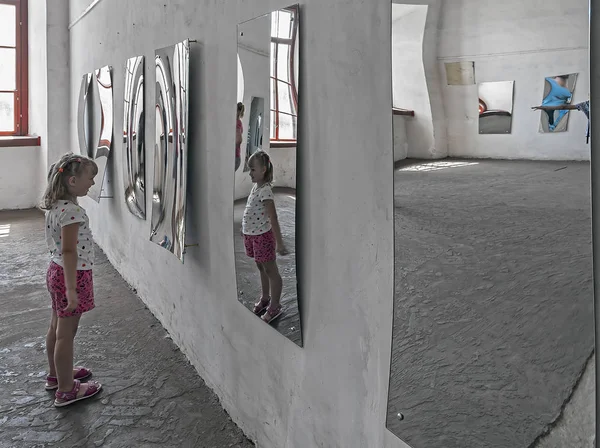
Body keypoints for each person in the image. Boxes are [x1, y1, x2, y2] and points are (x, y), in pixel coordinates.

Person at [41, 153, 103, 407]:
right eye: (90, 178)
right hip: (71, 275)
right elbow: (69, 251)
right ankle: (67, 390)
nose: (92, 183)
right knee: (67, 334)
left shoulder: (56, 207)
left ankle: (56, 375)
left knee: (56, 327)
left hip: (56, 270)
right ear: (73, 181)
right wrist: (71, 289)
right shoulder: (72, 212)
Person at [241, 150, 289, 323]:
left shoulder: (266, 191)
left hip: (263, 238)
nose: (250, 173)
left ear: (264, 170)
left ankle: (275, 306)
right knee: (261, 267)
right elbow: (250, 210)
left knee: (270, 270)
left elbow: (273, 217)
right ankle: (265, 298)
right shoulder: (256, 187)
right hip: (253, 236)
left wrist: (280, 243)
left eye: (253, 169)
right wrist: (245, 229)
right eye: (249, 169)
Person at [236, 102, 245, 171]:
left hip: (235, 157)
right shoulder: (238, 122)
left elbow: (239, 140)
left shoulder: (237, 122)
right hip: (236, 157)